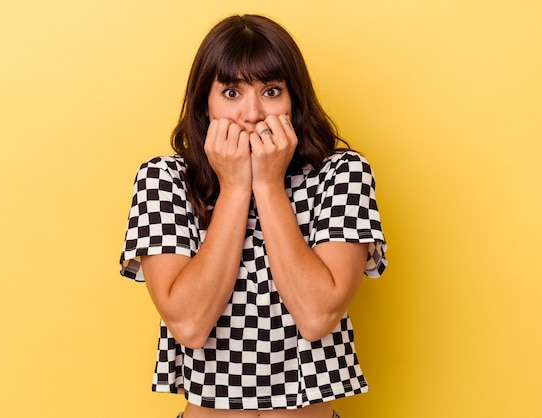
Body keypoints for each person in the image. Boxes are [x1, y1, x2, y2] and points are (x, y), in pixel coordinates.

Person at [119, 14, 387, 418]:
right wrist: (235, 188)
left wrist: (268, 185)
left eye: (272, 91)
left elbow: (317, 316)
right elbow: (189, 324)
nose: (252, 113)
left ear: (294, 101)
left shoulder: (343, 174)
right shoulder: (163, 179)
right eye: (231, 92)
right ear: (205, 104)